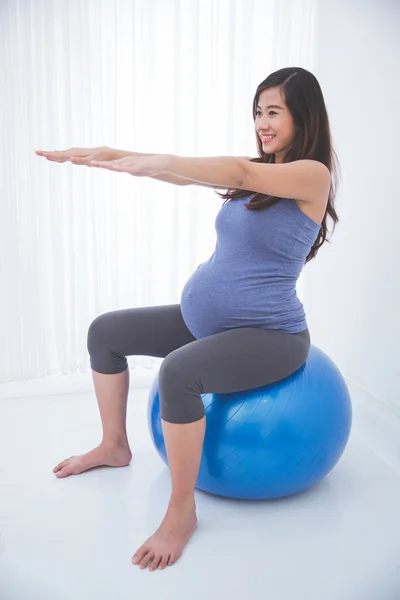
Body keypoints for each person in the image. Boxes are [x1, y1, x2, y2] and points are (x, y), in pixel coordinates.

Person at [35, 66, 338, 572]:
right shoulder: (260, 174)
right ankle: (113, 446)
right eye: (257, 112)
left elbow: (235, 172)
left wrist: (154, 162)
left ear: (303, 116)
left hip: (270, 336)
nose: (262, 123)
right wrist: (110, 156)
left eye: (273, 112)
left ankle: (181, 510)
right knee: (104, 332)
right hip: (209, 321)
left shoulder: (311, 175)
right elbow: (194, 173)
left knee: (179, 373)